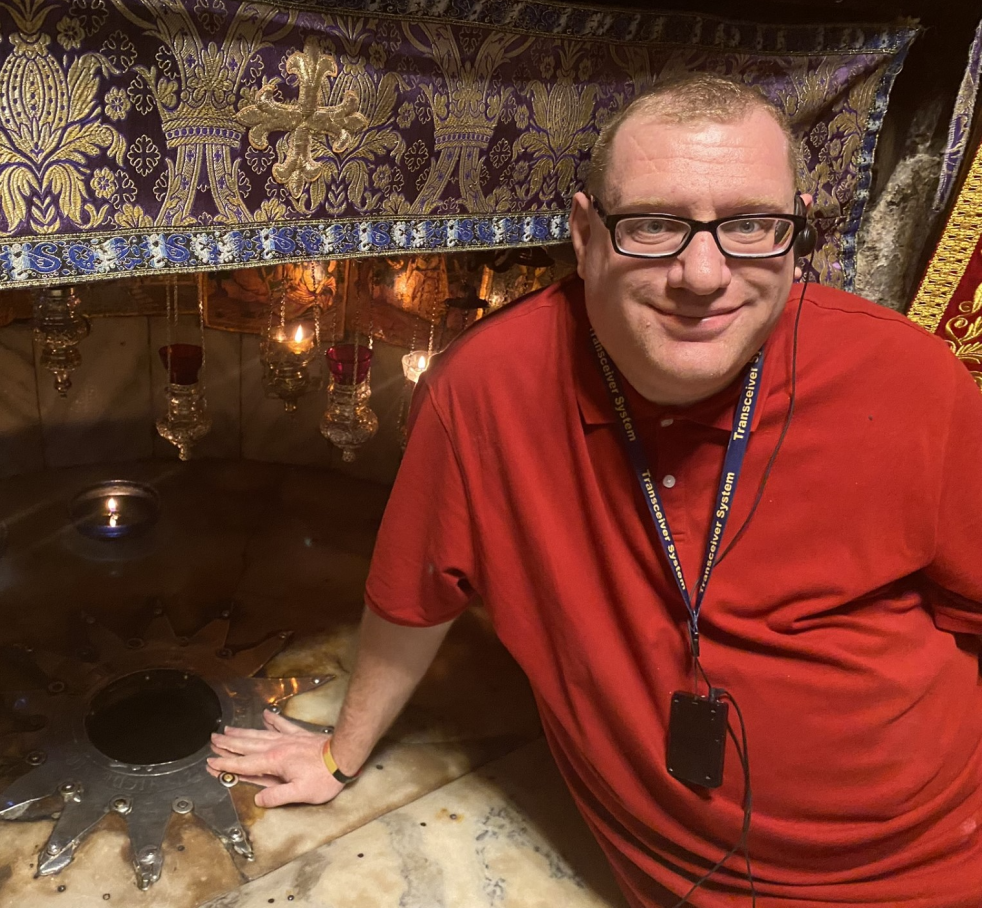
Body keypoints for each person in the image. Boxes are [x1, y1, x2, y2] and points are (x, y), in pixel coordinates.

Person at [207, 74, 982, 906]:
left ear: (793, 230)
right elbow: (415, 592)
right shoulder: (486, 390)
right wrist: (337, 754)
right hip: (686, 881)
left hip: (939, 859)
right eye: (654, 225)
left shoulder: (911, 379)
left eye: (751, 225)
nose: (703, 274)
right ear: (584, 234)